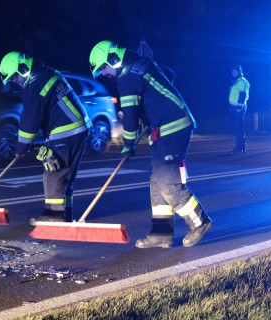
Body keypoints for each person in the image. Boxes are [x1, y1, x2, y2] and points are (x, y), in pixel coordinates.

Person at [88, 40, 212, 248]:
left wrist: (129, 144)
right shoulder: (141, 63)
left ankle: (199, 222)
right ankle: (161, 233)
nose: (105, 74)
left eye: (103, 68)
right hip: (165, 128)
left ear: (112, 58)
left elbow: (129, 116)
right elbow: (168, 74)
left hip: (172, 129)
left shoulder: (127, 77)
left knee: (167, 181)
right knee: (157, 181)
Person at [0, 51, 91, 223]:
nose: (15, 82)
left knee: (53, 174)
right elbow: (45, 113)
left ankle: (54, 215)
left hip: (66, 132)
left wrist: (19, 148)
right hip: (76, 129)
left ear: (23, 68)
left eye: (14, 78)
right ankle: (65, 213)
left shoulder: (34, 84)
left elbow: (29, 122)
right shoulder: (46, 73)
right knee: (65, 175)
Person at [228, 64, 250, 155]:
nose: (233, 72)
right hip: (234, 107)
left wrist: (239, 107)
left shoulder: (241, 81)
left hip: (238, 108)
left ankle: (239, 148)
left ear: (239, 72)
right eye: (232, 71)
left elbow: (243, 95)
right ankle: (241, 147)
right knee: (238, 128)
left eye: (235, 71)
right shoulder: (236, 81)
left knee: (238, 128)